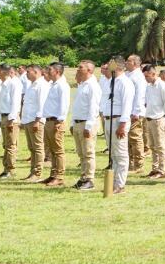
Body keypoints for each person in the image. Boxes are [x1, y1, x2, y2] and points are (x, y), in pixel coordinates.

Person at [101, 58, 134, 194]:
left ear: (117, 67)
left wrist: (122, 124)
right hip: (109, 119)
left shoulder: (125, 83)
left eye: (110, 64)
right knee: (113, 154)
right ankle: (113, 182)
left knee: (120, 154)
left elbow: (127, 105)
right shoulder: (111, 82)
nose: (107, 66)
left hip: (119, 120)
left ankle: (119, 184)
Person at [70, 61, 101, 190]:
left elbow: (93, 108)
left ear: (89, 70)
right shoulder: (82, 85)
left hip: (86, 123)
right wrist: (72, 123)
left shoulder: (93, 85)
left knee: (88, 152)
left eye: (81, 67)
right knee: (81, 153)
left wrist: (88, 126)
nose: (78, 69)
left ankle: (89, 179)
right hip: (78, 122)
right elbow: (77, 106)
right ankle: (83, 177)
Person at [42, 62, 70, 187]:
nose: (48, 71)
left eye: (50, 69)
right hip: (49, 120)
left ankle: (59, 176)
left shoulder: (62, 85)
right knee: (52, 150)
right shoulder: (53, 85)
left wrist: (60, 120)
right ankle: (53, 174)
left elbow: (64, 104)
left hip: (56, 121)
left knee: (58, 150)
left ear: (57, 71)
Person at [140, 64, 165, 180]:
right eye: (144, 76)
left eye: (147, 76)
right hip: (149, 118)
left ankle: (162, 170)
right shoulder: (149, 86)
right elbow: (147, 102)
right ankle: (155, 168)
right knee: (152, 146)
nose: (146, 78)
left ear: (153, 74)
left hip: (158, 119)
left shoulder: (162, 86)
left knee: (160, 146)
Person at [19, 64, 48, 180]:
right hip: (28, 120)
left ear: (36, 72)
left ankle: (37, 172)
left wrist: (37, 120)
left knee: (37, 147)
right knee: (31, 148)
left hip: (35, 120)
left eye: (28, 72)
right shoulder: (31, 85)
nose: (26, 74)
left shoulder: (41, 85)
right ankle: (32, 171)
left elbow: (42, 104)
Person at [0, 64, 23, 178]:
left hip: (10, 117)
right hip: (4, 117)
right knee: (5, 144)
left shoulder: (13, 84)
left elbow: (15, 103)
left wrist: (11, 119)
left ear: (3, 72)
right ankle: (6, 168)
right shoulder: (2, 84)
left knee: (11, 145)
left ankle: (10, 169)